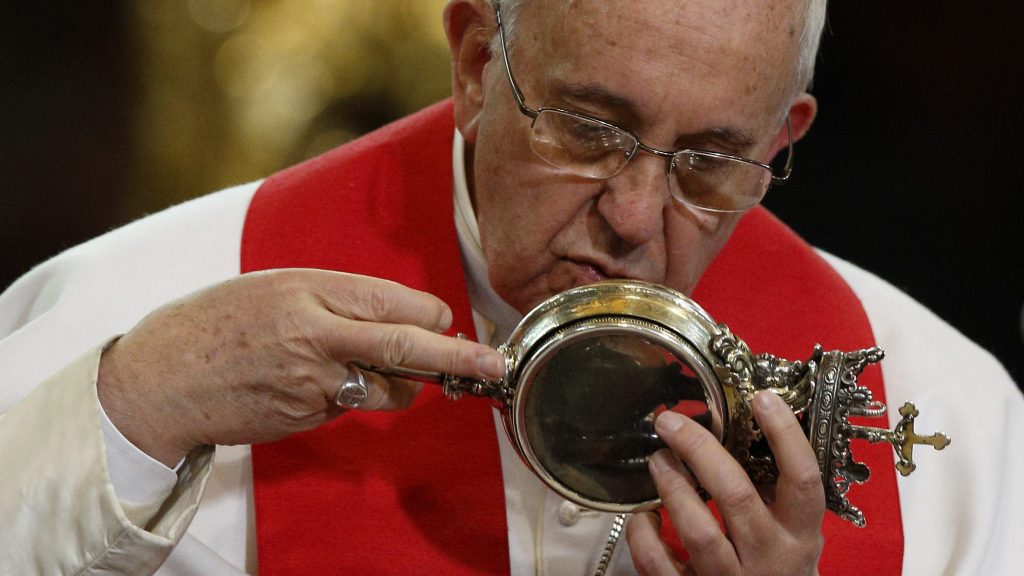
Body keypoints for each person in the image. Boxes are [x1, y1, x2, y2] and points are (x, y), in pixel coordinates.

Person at [1, 0, 1021, 574]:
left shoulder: (962, 427)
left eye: (710, 158)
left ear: (782, 137)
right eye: (586, 127)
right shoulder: (142, 312)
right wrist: (130, 419)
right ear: (477, 60)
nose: (632, 214)